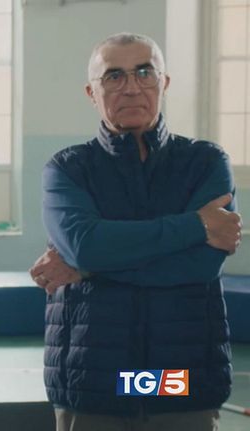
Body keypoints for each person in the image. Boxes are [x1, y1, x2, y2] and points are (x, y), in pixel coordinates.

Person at [28, 33, 242, 431]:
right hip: (93, 383)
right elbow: (86, 246)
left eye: (145, 72)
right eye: (114, 76)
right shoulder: (69, 168)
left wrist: (85, 269)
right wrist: (196, 225)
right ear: (91, 92)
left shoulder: (205, 162)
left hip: (179, 381)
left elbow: (200, 264)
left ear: (164, 82)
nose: (131, 87)